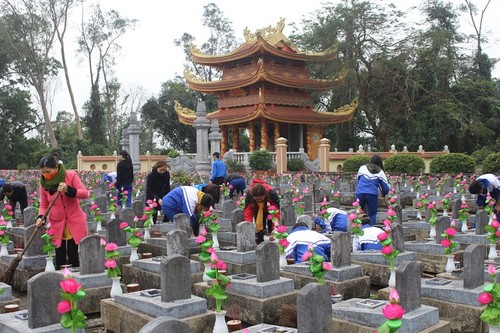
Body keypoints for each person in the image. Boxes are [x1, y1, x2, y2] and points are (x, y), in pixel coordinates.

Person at [35, 153, 89, 269]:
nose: (45, 175)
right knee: (59, 257)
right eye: (43, 172)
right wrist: (40, 217)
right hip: (57, 223)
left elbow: (85, 194)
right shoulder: (44, 184)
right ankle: (62, 283)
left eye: (48, 172)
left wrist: (68, 189)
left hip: (74, 221)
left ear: (56, 168)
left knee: (73, 254)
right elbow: (44, 205)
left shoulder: (70, 176)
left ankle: (74, 283)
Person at [355, 154, 390, 226]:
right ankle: (370, 228)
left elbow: (358, 181)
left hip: (360, 193)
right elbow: (386, 188)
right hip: (372, 194)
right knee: (372, 214)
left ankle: (357, 228)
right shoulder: (380, 172)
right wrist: (384, 193)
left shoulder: (362, 168)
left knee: (358, 212)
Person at [244, 179, 280, 244]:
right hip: (257, 208)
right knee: (259, 222)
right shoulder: (249, 195)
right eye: (257, 198)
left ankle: (270, 237)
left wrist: (276, 223)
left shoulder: (272, 194)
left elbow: (276, 209)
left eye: (261, 198)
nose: (259, 200)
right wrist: (248, 224)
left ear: (265, 195)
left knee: (271, 222)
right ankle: (260, 239)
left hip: (270, 208)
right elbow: (248, 211)